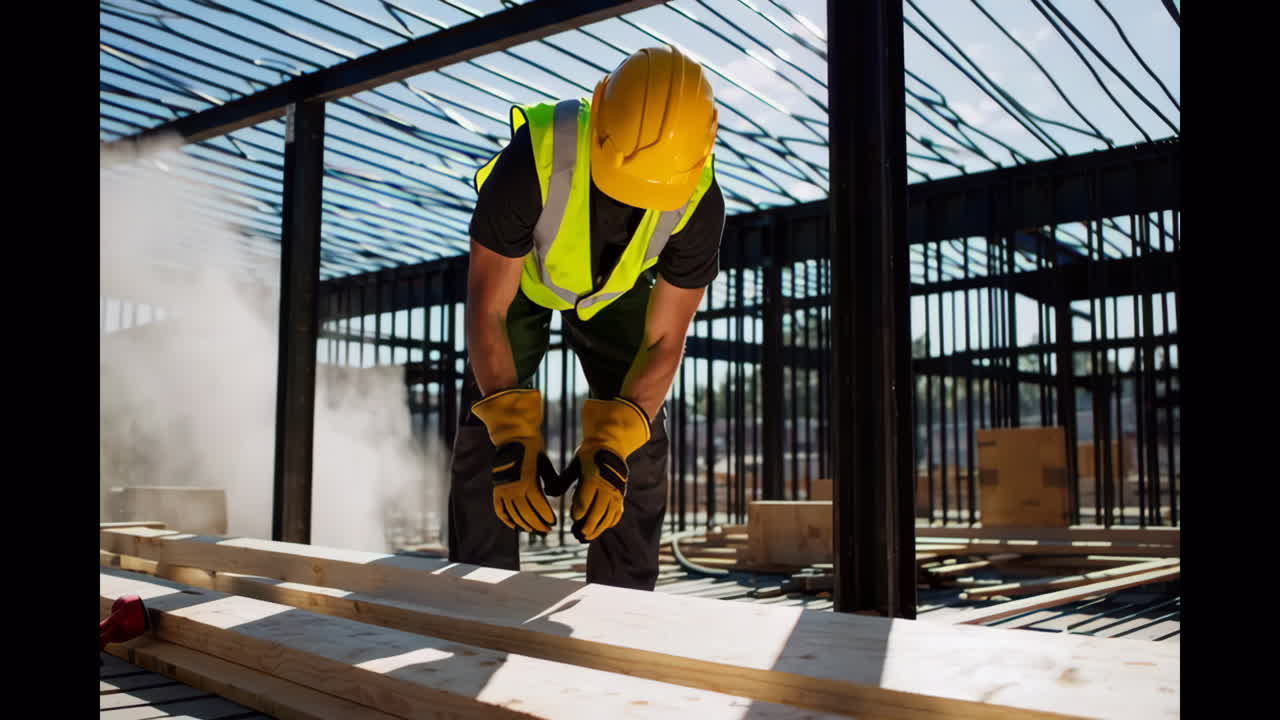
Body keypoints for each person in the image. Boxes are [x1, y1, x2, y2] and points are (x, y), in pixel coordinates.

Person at [447, 44, 725, 591]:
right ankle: (476, 599)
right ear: (598, 111)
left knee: (640, 438)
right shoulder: (535, 156)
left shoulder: (700, 203)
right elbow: (488, 308)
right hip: (520, 282)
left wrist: (613, 446)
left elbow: (666, 339)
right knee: (486, 425)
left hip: (614, 291)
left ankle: (621, 605)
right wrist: (511, 434)